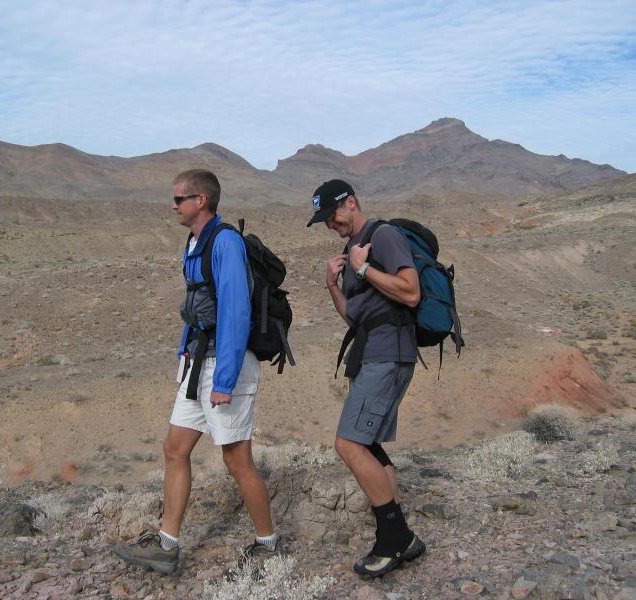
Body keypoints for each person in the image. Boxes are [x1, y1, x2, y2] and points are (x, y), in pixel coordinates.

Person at [114, 169, 279, 574]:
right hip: (196, 362)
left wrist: (224, 380)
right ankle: (167, 545)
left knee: (237, 459)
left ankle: (268, 544)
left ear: (200, 201)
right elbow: (199, 305)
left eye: (178, 199)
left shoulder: (224, 243)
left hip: (225, 368)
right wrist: (183, 354)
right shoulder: (194, 243)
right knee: (175, 449)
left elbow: (236, 312)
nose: (173, 206)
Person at [307, 179, 426, 578]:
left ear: (352, 203)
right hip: (371, 351)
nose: (330, 224)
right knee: (368, 443)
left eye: (332, 215)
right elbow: (355, 318)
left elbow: (411, 293)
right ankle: (400, 532)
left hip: (388, 354)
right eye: (323, 220)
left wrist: (363, 267)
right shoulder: (352, 249)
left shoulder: (384, 236)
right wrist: (332, 284)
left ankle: (395, 538)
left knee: (349, 444)